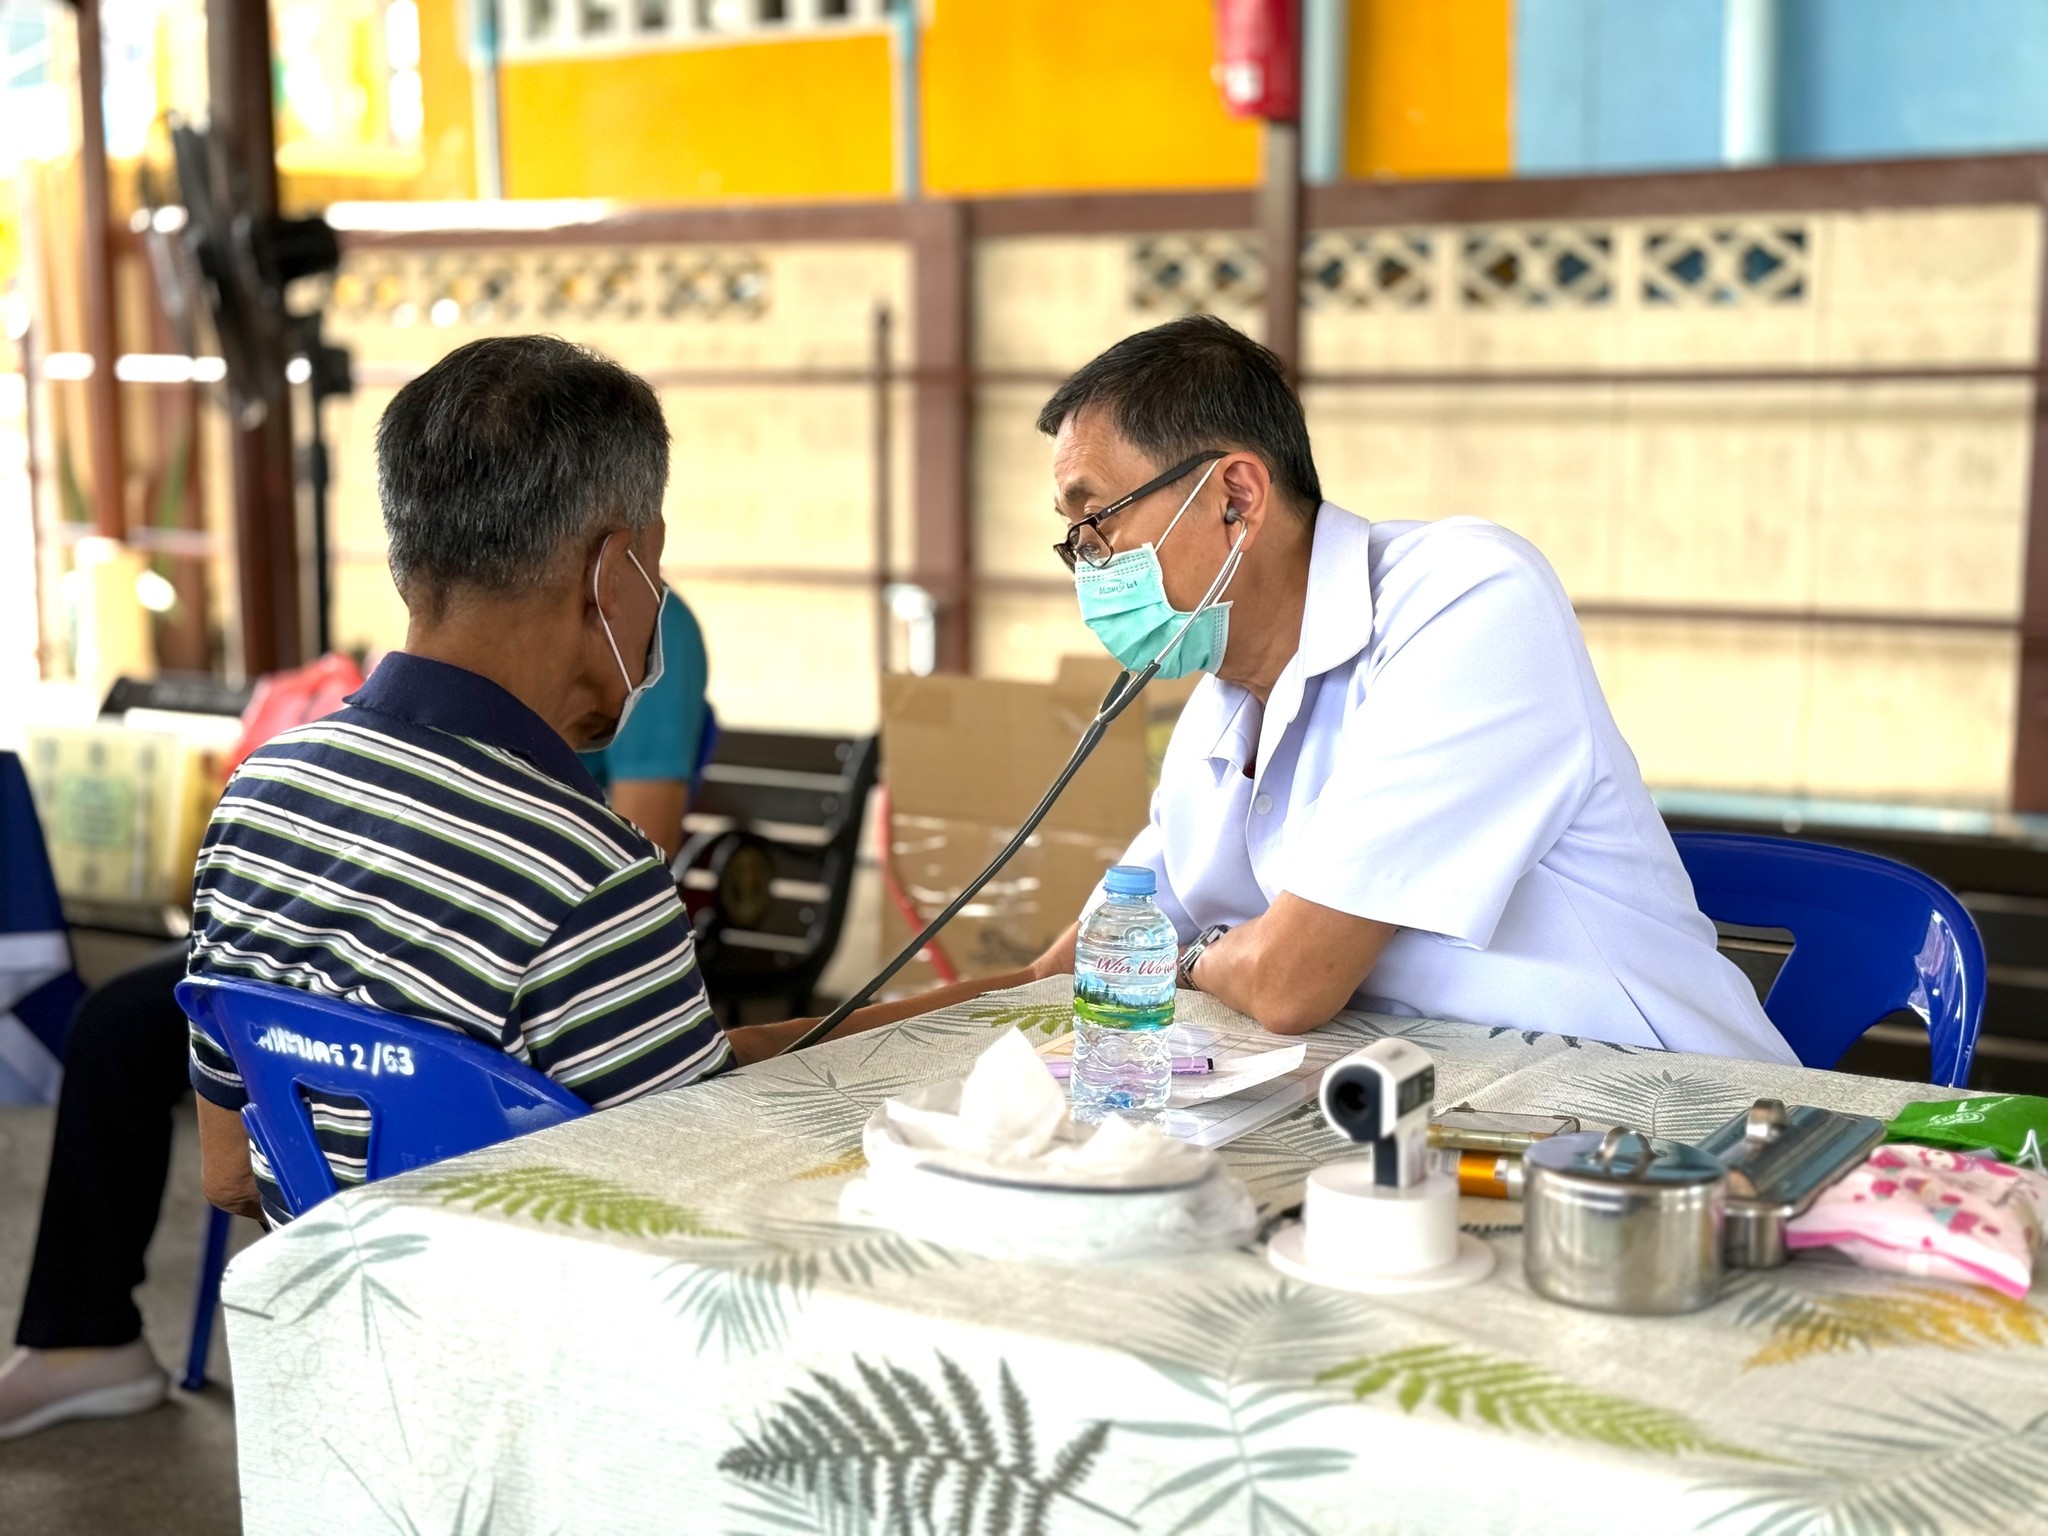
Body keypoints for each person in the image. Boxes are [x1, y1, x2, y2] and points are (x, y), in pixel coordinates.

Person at [186, 335, 1037, 1227]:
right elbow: (695, 1191)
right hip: (532, 1305)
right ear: (612, 571)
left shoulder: (258, 796)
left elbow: (230, 1173)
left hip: (331, 1297)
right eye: (654, 570)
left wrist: (992, 993)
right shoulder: (586, 871)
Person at [1033, 315, 1795, 1064]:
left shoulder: (1469, 599)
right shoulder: (1217, 710)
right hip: (1425, 1096)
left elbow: (1290, 982)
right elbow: (1087, 962)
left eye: (1097, 523)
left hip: (1662, 1098)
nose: (1090, 567)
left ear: (1236, 497)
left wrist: (1193, 959)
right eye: (1077, 545)